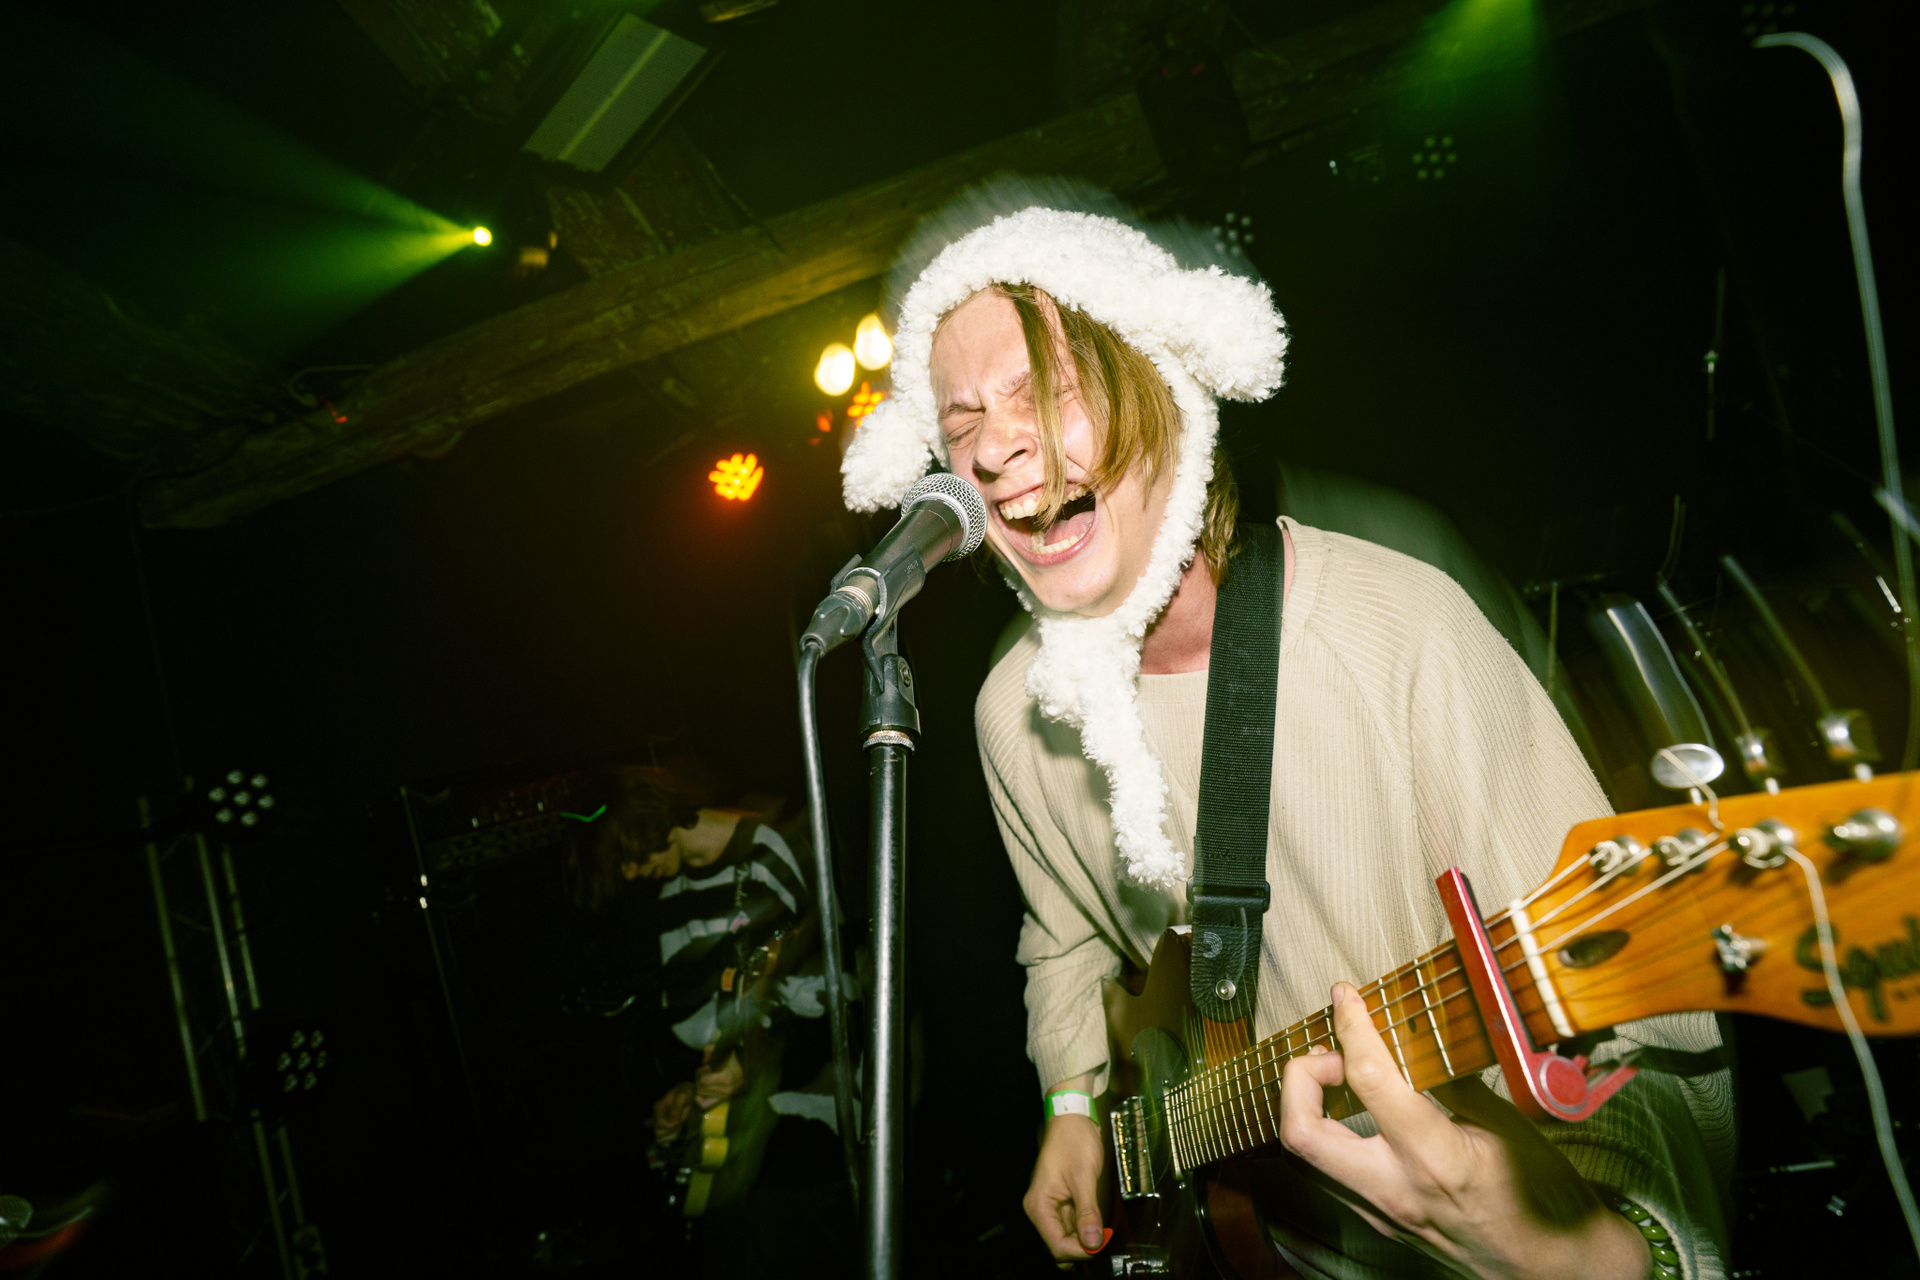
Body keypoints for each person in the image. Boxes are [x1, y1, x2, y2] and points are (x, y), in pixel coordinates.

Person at [839, 182, 1732, 1278]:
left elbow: (1646, 1041)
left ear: (1163, 386)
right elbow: (1063, 937)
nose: (995, 452)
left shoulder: (1403, 629)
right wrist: (1073, 1103)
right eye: (962, 425)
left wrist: (1588, 1253)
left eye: (1048, 390)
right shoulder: (1010, 709)